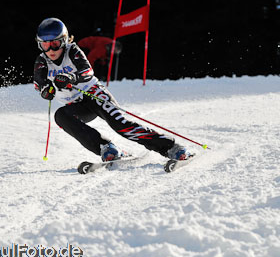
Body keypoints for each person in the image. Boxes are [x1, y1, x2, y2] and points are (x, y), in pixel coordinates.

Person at [33, 18, 191, 162]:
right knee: (61, 116)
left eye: (54, 44)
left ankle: (170, 147)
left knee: (120, 125)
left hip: (94, 94)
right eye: (45, 45)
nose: (50, 50)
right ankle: (106, 147)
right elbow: (40, 83)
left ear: (65, 40)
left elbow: (87, 71)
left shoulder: (72, 51)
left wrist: (71, 77)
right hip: (77, 106)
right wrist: (46, 91)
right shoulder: (42, 61)